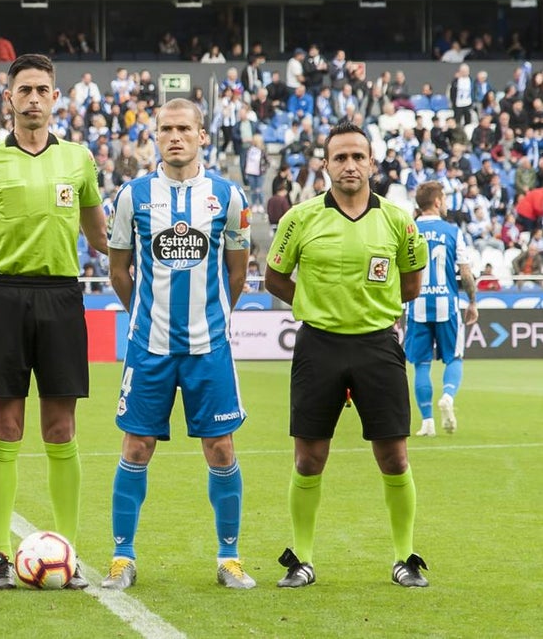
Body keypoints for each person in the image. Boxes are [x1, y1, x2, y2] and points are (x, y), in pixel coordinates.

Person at [0, 53, 107, 589]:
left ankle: (66, 553)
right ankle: (0, 553)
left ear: (56, 98)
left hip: (62, 298)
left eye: (43, 90)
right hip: (4, 295)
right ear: (9, 99)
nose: (34, 99)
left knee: (61, 428)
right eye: (25, 90)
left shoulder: (80, 159)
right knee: (6, 426)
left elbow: (101, 236)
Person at [264, 121, 430, 589]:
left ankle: (405, 557)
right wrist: (314, 303)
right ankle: (303, 559)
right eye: (341, 157)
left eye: (358, 156)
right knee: (309, 458)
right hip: (319, 345)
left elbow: (411, 283)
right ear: (326, 165)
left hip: (378, 345)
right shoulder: (300, 217)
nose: (350, 165)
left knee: (394, 457)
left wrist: (372, 310)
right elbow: (275, 277)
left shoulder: (398, 220)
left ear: (372, 163)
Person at [100, 98, 255, 591]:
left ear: (202, 135)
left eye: (184, 129)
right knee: (137, 445)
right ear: (155, 136)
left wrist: (213, 315)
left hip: (210, 346)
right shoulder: (133, 196)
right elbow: (119, 270)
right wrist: (145, 316)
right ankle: (123, 557)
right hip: (150, 345)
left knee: (221, 448)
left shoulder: (228, 196)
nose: (174, 137)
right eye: (165, 128)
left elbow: (237, 270)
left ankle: (228, 557)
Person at [405, 181, 479, 437]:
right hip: (447, 304)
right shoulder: (452, 231)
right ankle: (447, 396)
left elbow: (399, 272)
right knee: (454, 357)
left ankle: (427, 422)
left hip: (417, 305)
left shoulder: (409, 230)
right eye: (444, 199)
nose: (446, 203)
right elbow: (466, 274)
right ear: (437, 201)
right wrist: (472, 302)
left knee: (421, 365)